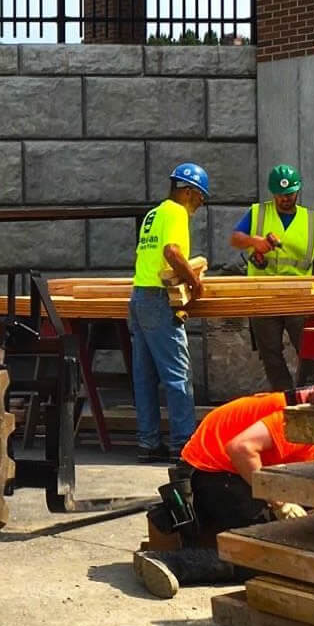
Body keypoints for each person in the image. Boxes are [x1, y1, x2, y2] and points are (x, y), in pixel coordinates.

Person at [134, 389, 314, 598]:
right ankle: (173, 563)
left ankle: (181, 537)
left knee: (294, 537)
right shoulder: (305, 423)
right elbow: (241, 448)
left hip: (217, 471)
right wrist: (280, 503)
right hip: (210, 475)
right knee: (274, 553)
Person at [128, 163, 209, 463]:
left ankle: (148, 443)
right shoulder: (175, 212)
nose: (201, 203)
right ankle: (184, 444)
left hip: (139, 297)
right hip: (159, 299)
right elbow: (172, 253)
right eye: (201, 196)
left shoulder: (154, 213)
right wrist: (195, 281)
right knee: (178, 375)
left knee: (145, 376)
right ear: (188, 192)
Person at [227, 163, 314, 390]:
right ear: (273, 193)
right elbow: (235, 238)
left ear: (298, 190)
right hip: (264, 296)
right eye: (280, 195)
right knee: (270, 352)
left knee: (309, 350)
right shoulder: (258, 212)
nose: (285, 198)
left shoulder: (312, 220)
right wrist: (255, 242)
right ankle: (284, 395)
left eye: (290, 193)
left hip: (299, 296)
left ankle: (306, 392)